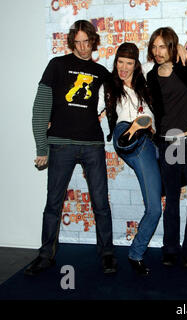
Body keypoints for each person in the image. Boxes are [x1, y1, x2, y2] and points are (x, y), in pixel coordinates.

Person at [26, 20, 116, 276]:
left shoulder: (101, 71)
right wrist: (41, 146)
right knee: (53, 203)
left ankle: (107, 254)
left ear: (93, 41)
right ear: (71, 42)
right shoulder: (57, 65)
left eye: (87, 42)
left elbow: (122, 93)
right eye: (77, 42)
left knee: (100, 203)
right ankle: (45, 256)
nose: (83, 47)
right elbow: (41, 106)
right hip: (60, 144)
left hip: (92, 144)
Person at [98, 42, 160, 277]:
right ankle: (132, 132)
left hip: (148, 143)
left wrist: (183, 48)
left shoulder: (143, 86)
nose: (123, 67)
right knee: (129, 130)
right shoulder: (109, 86)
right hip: (125, 134)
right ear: (115, 63)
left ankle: (136, 253)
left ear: (136, 65)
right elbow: (92, 108)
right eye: (120, 62)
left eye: (129, 63)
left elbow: (160, 58)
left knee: (154, 209)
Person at [147, 27, 187, 268]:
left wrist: (184, 48)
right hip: (168, 142)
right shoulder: (151, 76)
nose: (158, 52)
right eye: (154, 47)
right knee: (171, 199)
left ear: (172, 46)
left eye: (163, 46)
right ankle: (170, 248)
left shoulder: (186, 63)